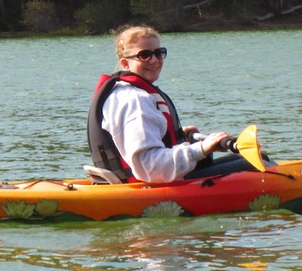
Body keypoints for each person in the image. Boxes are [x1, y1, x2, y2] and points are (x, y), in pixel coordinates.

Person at [87, 25, 270, 183]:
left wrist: (181, 137)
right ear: (125, 63)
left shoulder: (125, 93)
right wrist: (201, 148)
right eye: (144, 55)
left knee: (258, 158)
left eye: (159, 53)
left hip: (150, 178)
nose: (154, 60)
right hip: (151, 184)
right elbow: (150, 166)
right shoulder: (135, 100)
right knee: (261, 165)